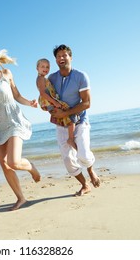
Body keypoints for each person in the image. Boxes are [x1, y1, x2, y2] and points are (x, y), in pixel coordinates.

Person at [0, 46, 41, 211]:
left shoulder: (5, 73)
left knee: (14, 161)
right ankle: (21, 198)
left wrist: (30, 103)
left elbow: (16, 95)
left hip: (12, 119)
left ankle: (31, 167)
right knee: (4, 165)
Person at [48, 44, 101, 196]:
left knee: (83, 154)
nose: (61, 58)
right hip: (61, 124)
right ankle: (85, 185)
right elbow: (47, 100)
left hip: (80, 121)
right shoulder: (52, 78)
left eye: (64, 55)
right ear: (56, 60)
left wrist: (66, 113)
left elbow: (86, 103)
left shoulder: (81, 76)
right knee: (68, 161)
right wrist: (52, 110)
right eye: (58, 56)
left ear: (70, 57)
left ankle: (91, 170)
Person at [36, 58, 77, 150]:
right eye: (42, 66)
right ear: (37, 68)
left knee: (66, 116)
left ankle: (69, 137)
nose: (45, 68)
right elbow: (42, 93)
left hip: (50, 102)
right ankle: (70, 139)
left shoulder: (44, 78)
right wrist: (55, 102)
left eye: (47, 67)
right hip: (49, 102)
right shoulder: (40, 79)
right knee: (70, 113)